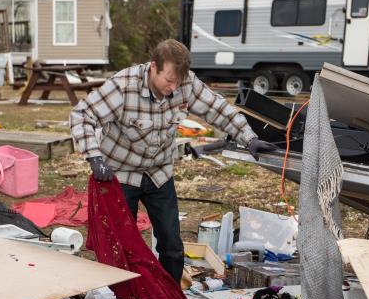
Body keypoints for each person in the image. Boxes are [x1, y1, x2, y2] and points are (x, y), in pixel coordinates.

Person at [70, 39, 277, 283]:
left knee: (172, 245)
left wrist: (249, 138)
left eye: (178, 82)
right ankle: (121, 296)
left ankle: (171, 296)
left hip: (159, 173)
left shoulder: (185, 83)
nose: (173, 87)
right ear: (153, 67)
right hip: (120, 173)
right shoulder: (124, 86)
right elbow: (82, 115)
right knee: (121, 244)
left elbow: (218, 109)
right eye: (168, 80)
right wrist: (94, 157)